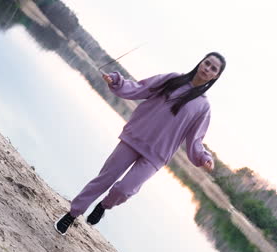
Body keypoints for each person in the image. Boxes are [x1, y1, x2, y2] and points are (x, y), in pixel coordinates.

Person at [55, 52, 226, 235]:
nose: (207, 69)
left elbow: (196, 139)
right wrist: (117, 81)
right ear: (201, 62)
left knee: (125, 189)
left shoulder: (203, 107)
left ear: (216, 76)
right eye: (206, 63)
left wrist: (203, 156)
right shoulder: (173, 79)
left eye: (213, 69)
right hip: (135, 137)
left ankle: (104, 206)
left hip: (157, 155)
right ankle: (72, 214)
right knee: (104, 179)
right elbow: (140, 88)